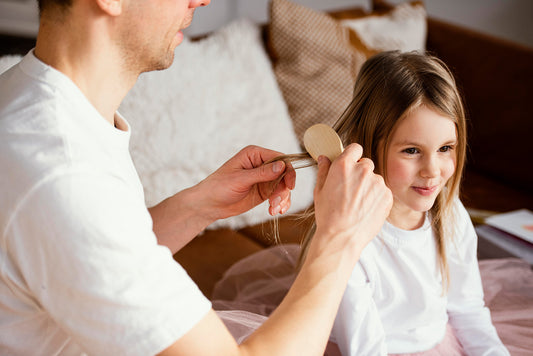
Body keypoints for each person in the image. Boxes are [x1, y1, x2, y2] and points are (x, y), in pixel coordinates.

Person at [0, 0, 393, 355]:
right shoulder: (64, 174)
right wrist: (340, 240)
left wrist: (199, 206)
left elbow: (82, 258)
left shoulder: (30, 100)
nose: (202, 0)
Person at [294, 51, 508, 355]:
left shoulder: (451, 215)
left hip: (438, 343)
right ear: (371, 144)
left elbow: (467, 309)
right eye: (411, 151)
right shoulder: (348, 240)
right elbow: (365, 349)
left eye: (446, 147)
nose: (432, 170)